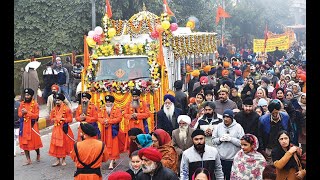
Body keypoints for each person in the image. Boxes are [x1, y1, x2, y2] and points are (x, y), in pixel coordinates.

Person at [211, 109, 245, 180]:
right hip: (220, 159)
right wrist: (220, 139)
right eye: (224, 117)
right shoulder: (218, 126)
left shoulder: (238, 127)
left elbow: (242, 143)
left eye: (228, 117)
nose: (226, 119)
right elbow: (213, 141)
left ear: (232, 118)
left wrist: (231, 139)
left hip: (233, 159)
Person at [258, 99, 292, 164]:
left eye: (277, 112)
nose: (275, 115)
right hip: (269, 147)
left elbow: (290, 131)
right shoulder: (263, 120)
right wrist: (262, 149)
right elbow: (260, 135)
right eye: (273, 113)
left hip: (283, 147)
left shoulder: (285, 117)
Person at [48, 93, 75, 166]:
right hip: (56, 129)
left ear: (62, 101)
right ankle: (57, 160)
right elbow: (51, 118)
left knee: (63, 145)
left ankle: (63, 160)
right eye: (56, 100)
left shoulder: (67, 109)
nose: (57, 102)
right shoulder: (54, 109)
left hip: (63, 129)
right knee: (56, 145)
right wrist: (55, 119)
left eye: (59, 100)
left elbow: (70, 119)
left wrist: (63, 119)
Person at [18, 88, 43, 165]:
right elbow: (19, 114)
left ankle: (38, 154)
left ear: (31, 96)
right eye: (25, 95)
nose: (26, 96)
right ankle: (28, 159)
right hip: (24, 126)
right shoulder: (22, 104)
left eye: (28, 95)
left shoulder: (35, 104)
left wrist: (27, 112)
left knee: (35, 143)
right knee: (24, 143)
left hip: (32, 126)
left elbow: (36, 116)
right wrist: (22, 113)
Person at [97, 95, 122, 170]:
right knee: (104, 145)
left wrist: (109, 121)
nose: (108, 104)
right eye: (107, 102)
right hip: (105, 130)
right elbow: (98, 117)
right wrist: (103, 121)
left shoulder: (117, 109)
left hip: (113, 130)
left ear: (112, 103)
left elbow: (119, 118)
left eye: (110, 102)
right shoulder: (102, 109)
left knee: (113, 145)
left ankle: (111, 161)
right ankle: (105, 158)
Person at [14, 92, 24, 157]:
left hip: (17, 124)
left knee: (18, 137)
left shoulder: (18, 104)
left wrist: (19, 120)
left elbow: (21, 114)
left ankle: (22, 149)